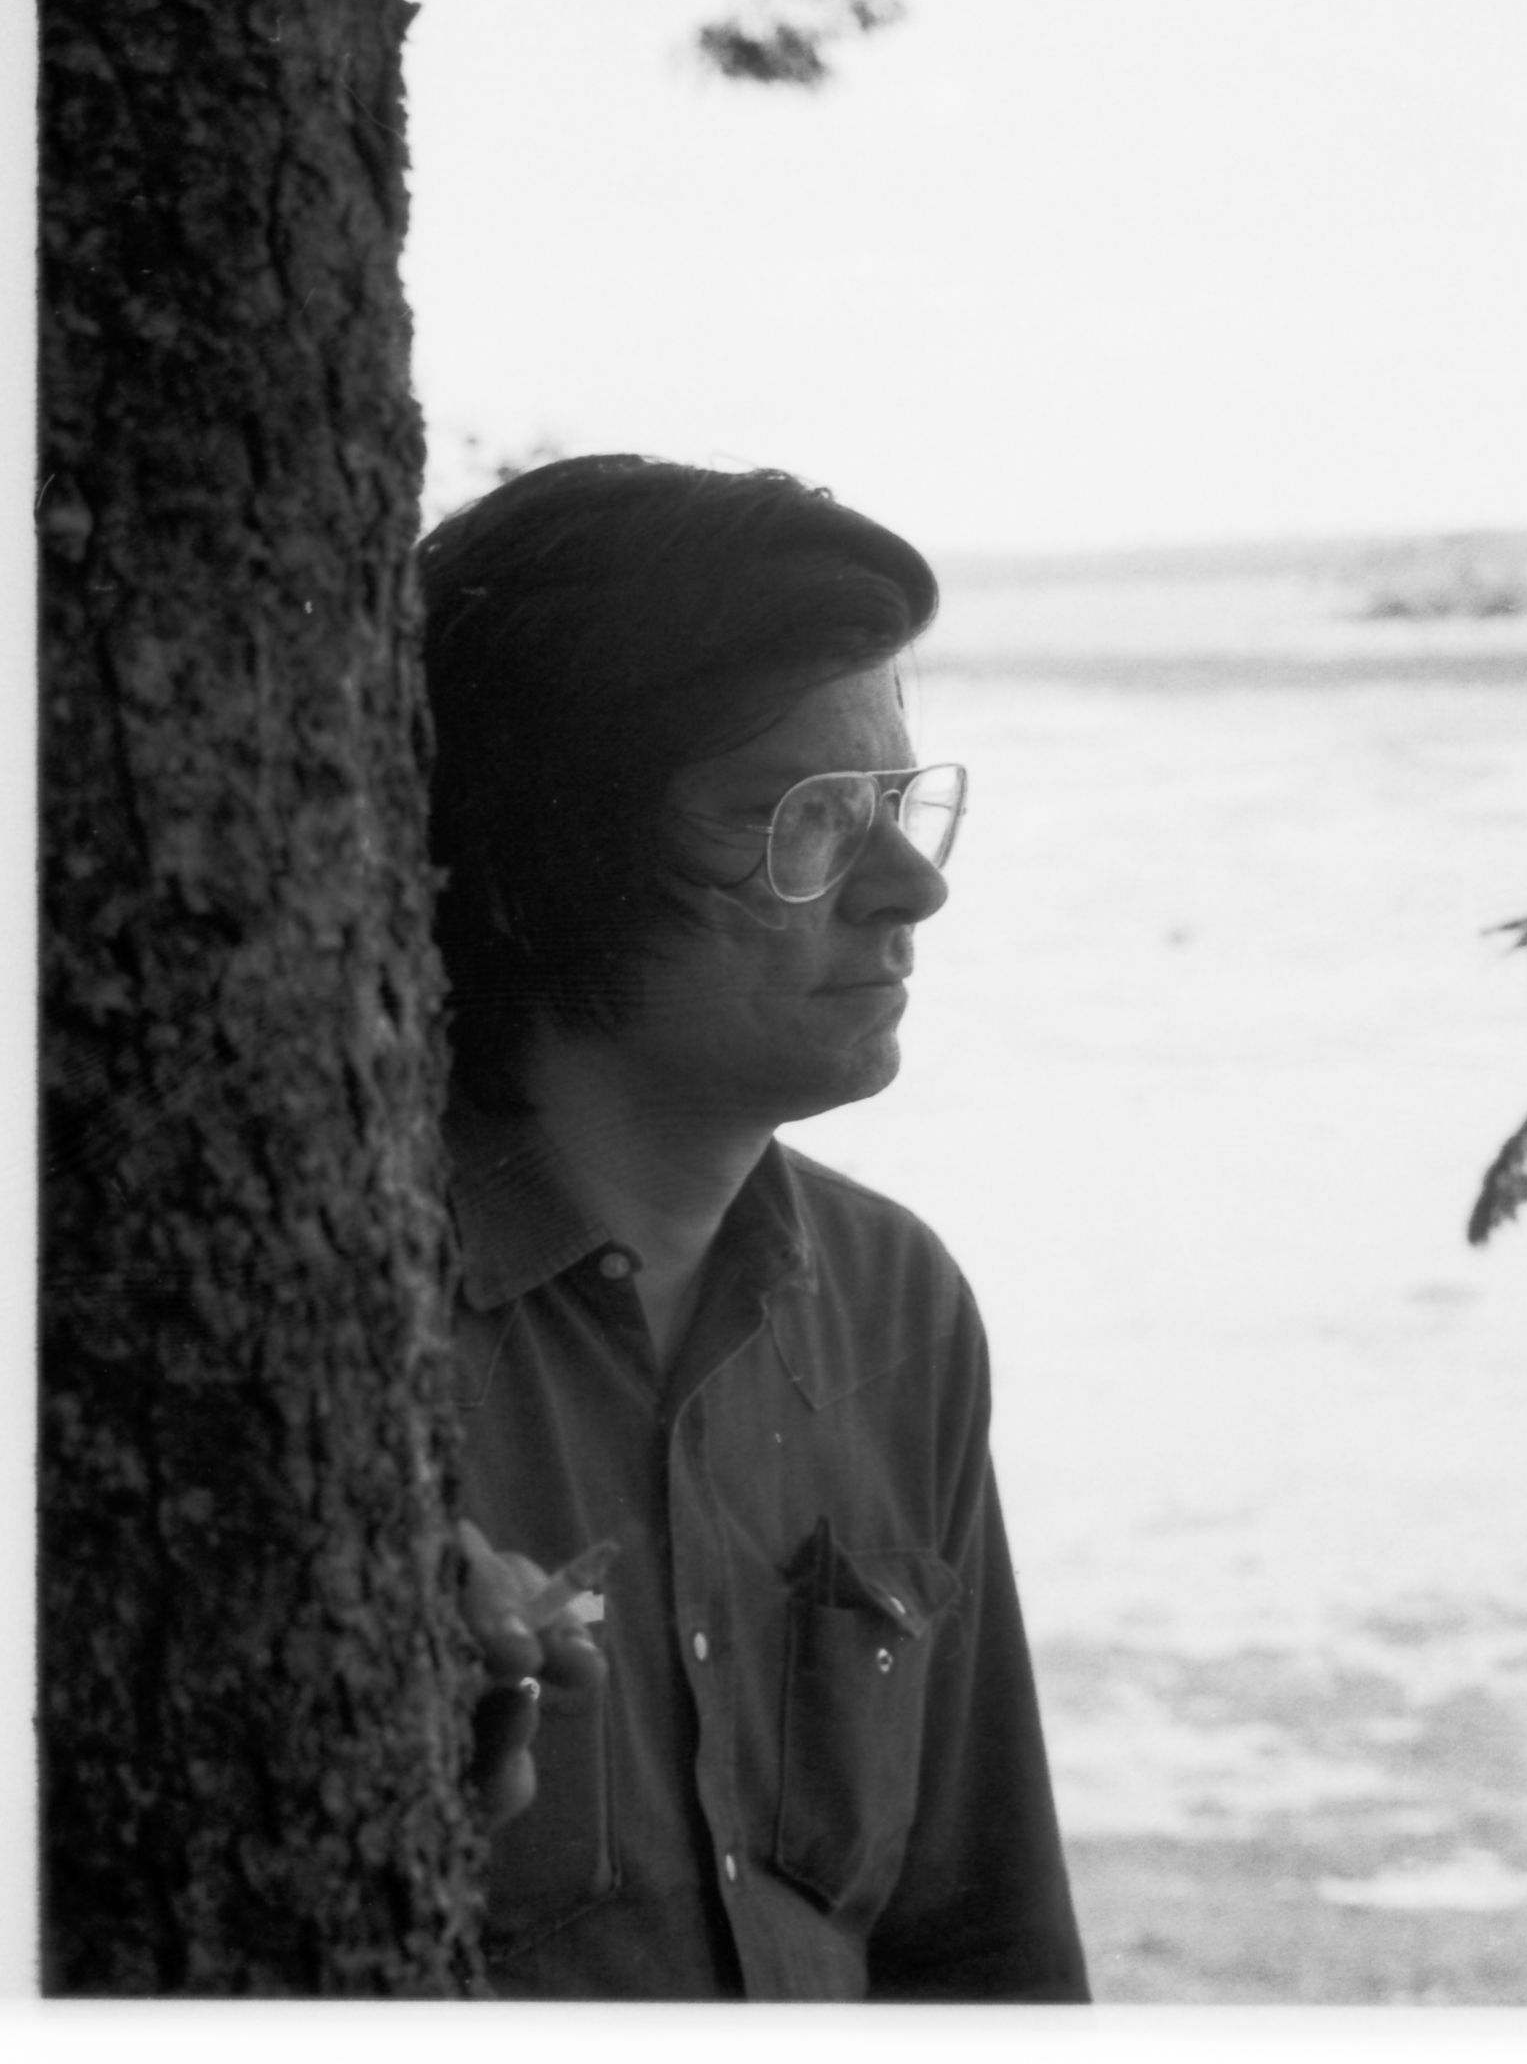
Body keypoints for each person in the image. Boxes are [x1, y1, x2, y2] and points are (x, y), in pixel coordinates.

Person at [418, 454, 1088, 2002]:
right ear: (534, 867)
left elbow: (985, 1942)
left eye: (903, 804)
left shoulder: (890, 1302)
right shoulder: (343, 1332)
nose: (913, 887)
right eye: (809, 822)